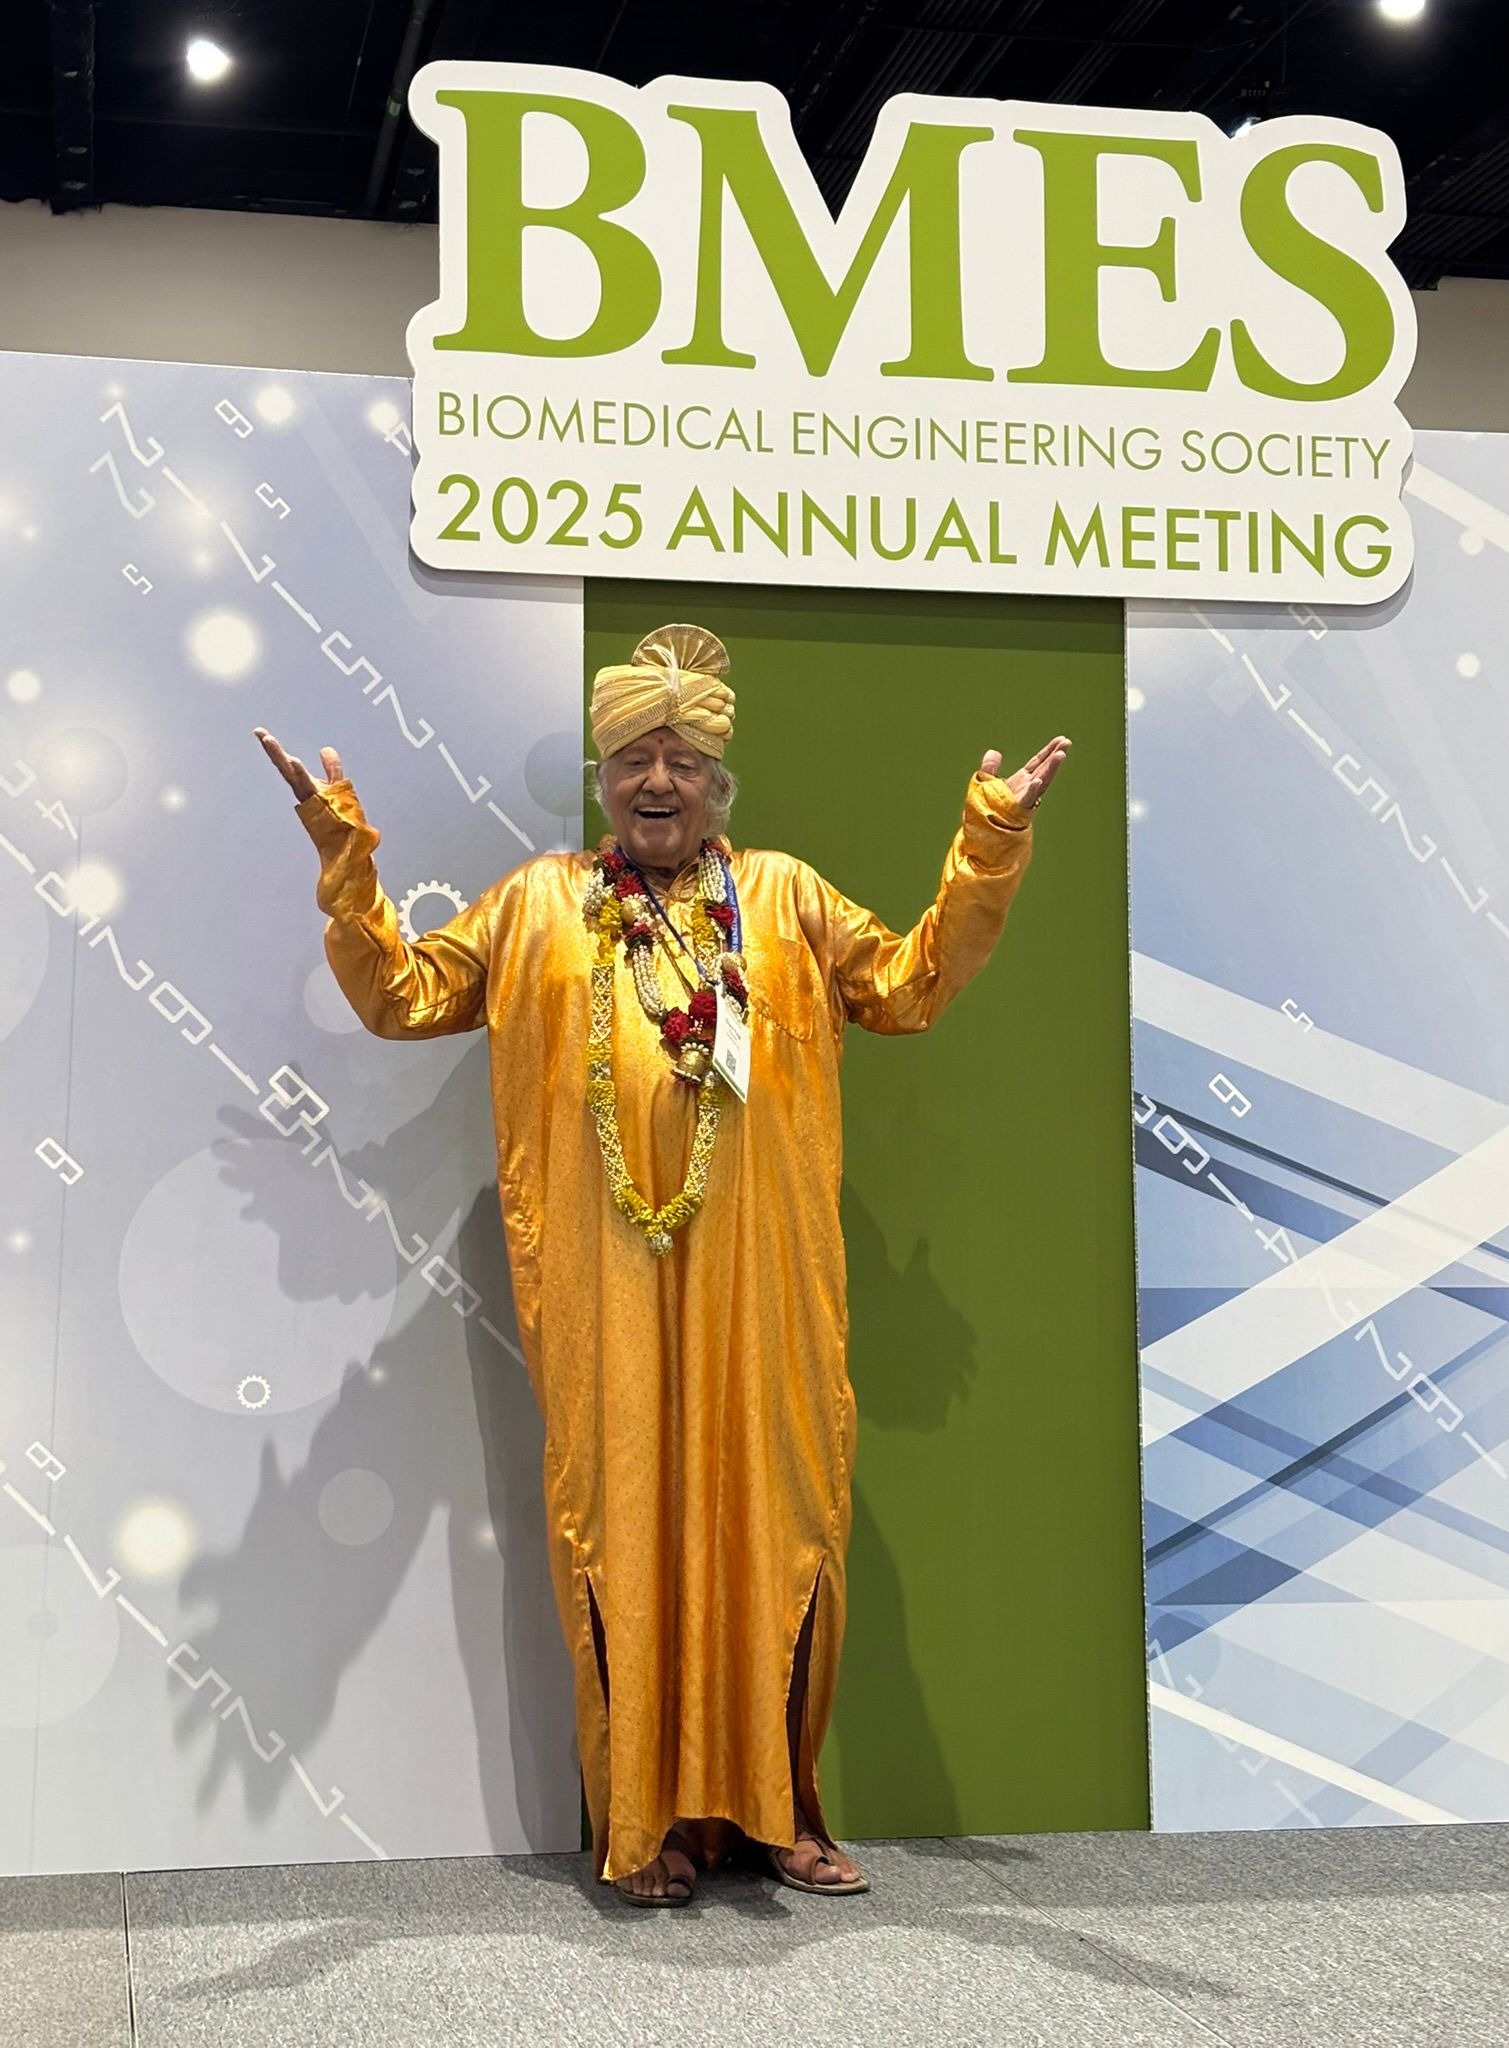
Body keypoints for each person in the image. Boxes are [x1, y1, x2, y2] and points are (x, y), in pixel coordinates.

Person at [255, 623, 1068, 1906]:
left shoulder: (786, 900)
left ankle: (779, 1810)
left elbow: (912, 983)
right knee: (622, 1527)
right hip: (605, 1293)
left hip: (766, 1296)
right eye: (635, 756)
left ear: (717, 786)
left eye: (684, 760)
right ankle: (647, 1821)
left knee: (780, 1525)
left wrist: (992, 838)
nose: (657, 779)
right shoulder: (537, 904)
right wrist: (343, 855)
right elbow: (402, 994)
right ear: (604, 777)